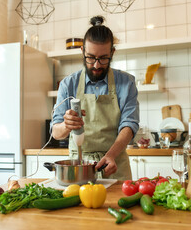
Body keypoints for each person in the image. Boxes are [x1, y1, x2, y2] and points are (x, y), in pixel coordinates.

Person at [51, 16, 139, 180]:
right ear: (82, 51)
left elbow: (129, 125)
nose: (96, 65)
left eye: (103, 58)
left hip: (115, 166)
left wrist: (111, 155)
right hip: (78, 168)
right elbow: (56, 132)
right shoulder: (68, 84)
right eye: (90, 57)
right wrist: (66, 125)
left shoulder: (126, 83)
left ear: (112, 53)